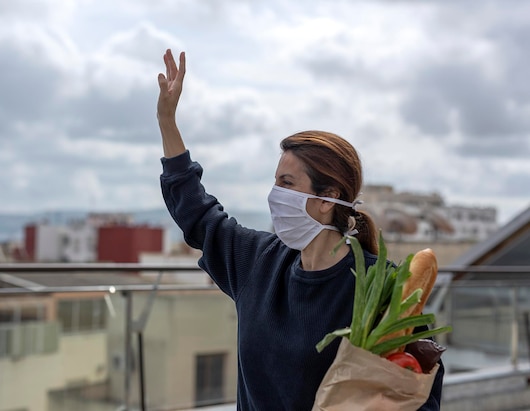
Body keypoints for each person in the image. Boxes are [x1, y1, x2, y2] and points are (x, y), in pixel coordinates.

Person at [157, 48, 444, 410]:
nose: (275, 196)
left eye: (287, 183)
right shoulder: (258, 263)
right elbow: (197, 214)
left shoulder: (383, 288)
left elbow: (421, 397)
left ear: (328, 199)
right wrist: (168, 122)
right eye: (275, 182)